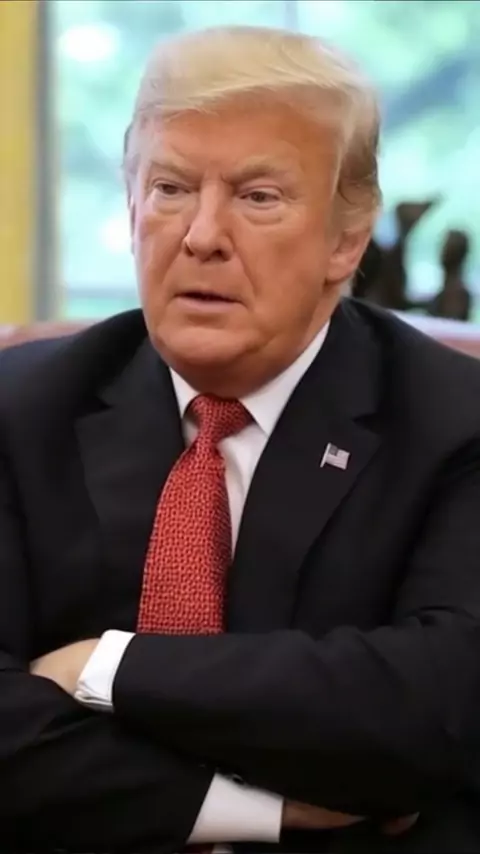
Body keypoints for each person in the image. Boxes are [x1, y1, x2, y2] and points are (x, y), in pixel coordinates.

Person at [1, 25, 480, 854]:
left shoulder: (454, 422)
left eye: (258, 197)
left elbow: (438, 703)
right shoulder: (19, 408)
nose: (201, 235)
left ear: (346, 239)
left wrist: (105, 669)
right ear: (131, 209)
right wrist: (257, 809)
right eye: (171, 188)